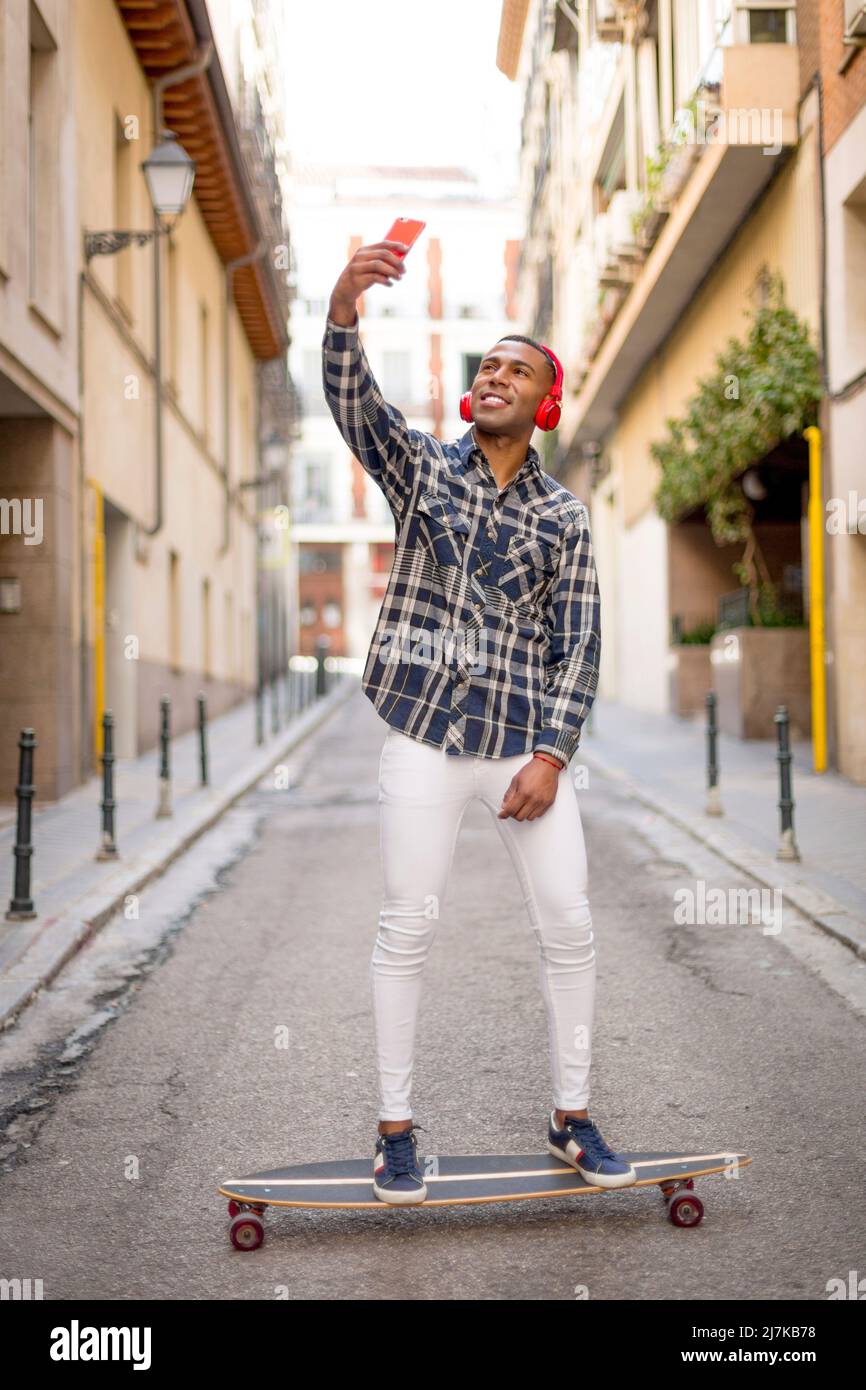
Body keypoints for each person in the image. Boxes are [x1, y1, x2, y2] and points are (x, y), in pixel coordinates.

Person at [322, 237, 636, 1205]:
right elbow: (353, 406)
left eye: (517, 368)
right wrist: (340, 308)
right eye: (486, 365)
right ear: (472, 394)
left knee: (568, 926)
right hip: (419, 735)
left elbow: (577, 643)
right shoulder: (420, 470)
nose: (495, 372)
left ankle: (570, 1115)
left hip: (516, 753)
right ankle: (394, 1132)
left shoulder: (564, 518)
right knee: (405, 927)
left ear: (543, 402)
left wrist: (549, 753)